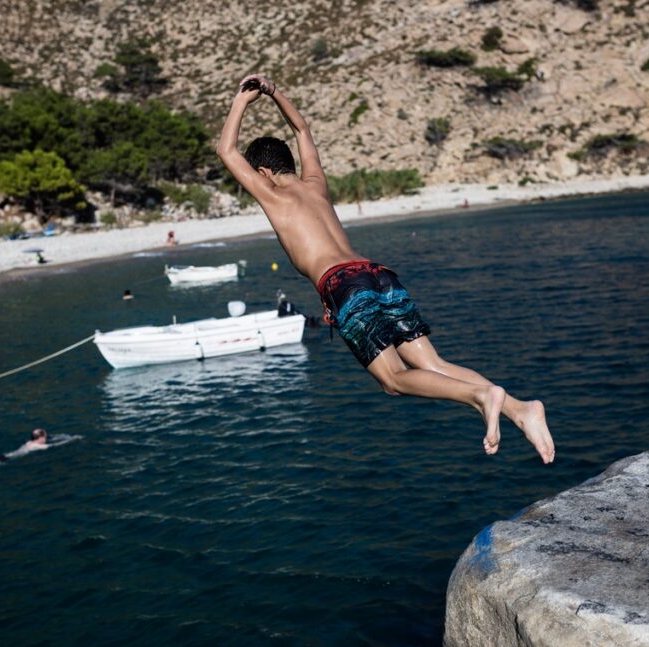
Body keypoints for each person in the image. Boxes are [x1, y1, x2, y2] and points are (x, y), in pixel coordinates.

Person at [216, 74, 555, 461]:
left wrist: (242, 100)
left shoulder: (272, 194)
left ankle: (482, 396)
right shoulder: (316, 183)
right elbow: (301, 127)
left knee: (393, 381)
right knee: (433, 364)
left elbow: (227, 151)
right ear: (290, 163)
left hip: (343, 285)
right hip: (377, 274)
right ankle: (520, 409)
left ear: (262, 173)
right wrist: (274, 92)